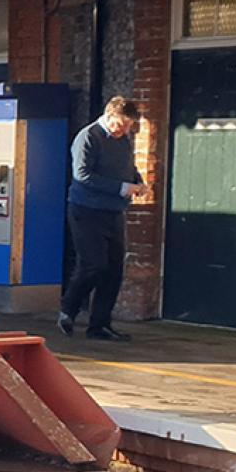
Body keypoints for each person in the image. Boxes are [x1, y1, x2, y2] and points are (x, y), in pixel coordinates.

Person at [61, 96, 147, 341]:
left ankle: (100, 325)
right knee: (93, 264)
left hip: (113, 211)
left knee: (113, 270)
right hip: (85, 210)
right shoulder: (88, 137)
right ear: (109, 116)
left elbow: (127, 167)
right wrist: (122, 188)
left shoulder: (124, 141)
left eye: (129, 125)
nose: (125, 129)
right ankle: (68, 309)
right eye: (121, 124)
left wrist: (137, 182)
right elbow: (82, 175)